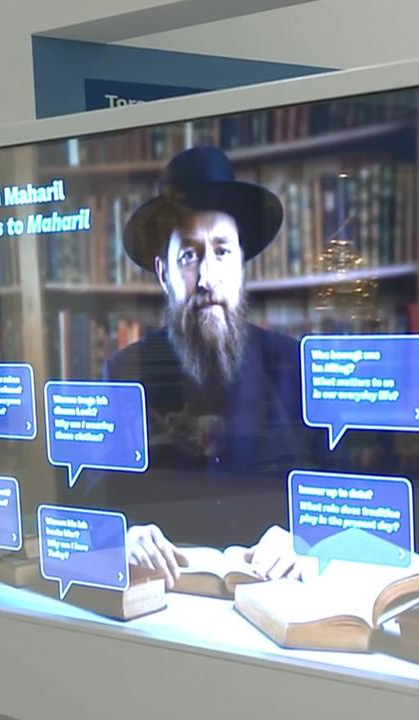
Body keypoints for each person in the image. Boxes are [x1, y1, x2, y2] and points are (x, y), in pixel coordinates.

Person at [99, 145, 321, 587]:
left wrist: (305, 540)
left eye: (222, 252)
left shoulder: (294, 366)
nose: (206, 277)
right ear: (163, 273)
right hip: (163, 608)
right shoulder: (124, 373)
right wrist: (122, 536)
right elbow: (89, 505)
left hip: (276, 600)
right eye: (188, 256)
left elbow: (345, 504)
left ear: (242, 266)